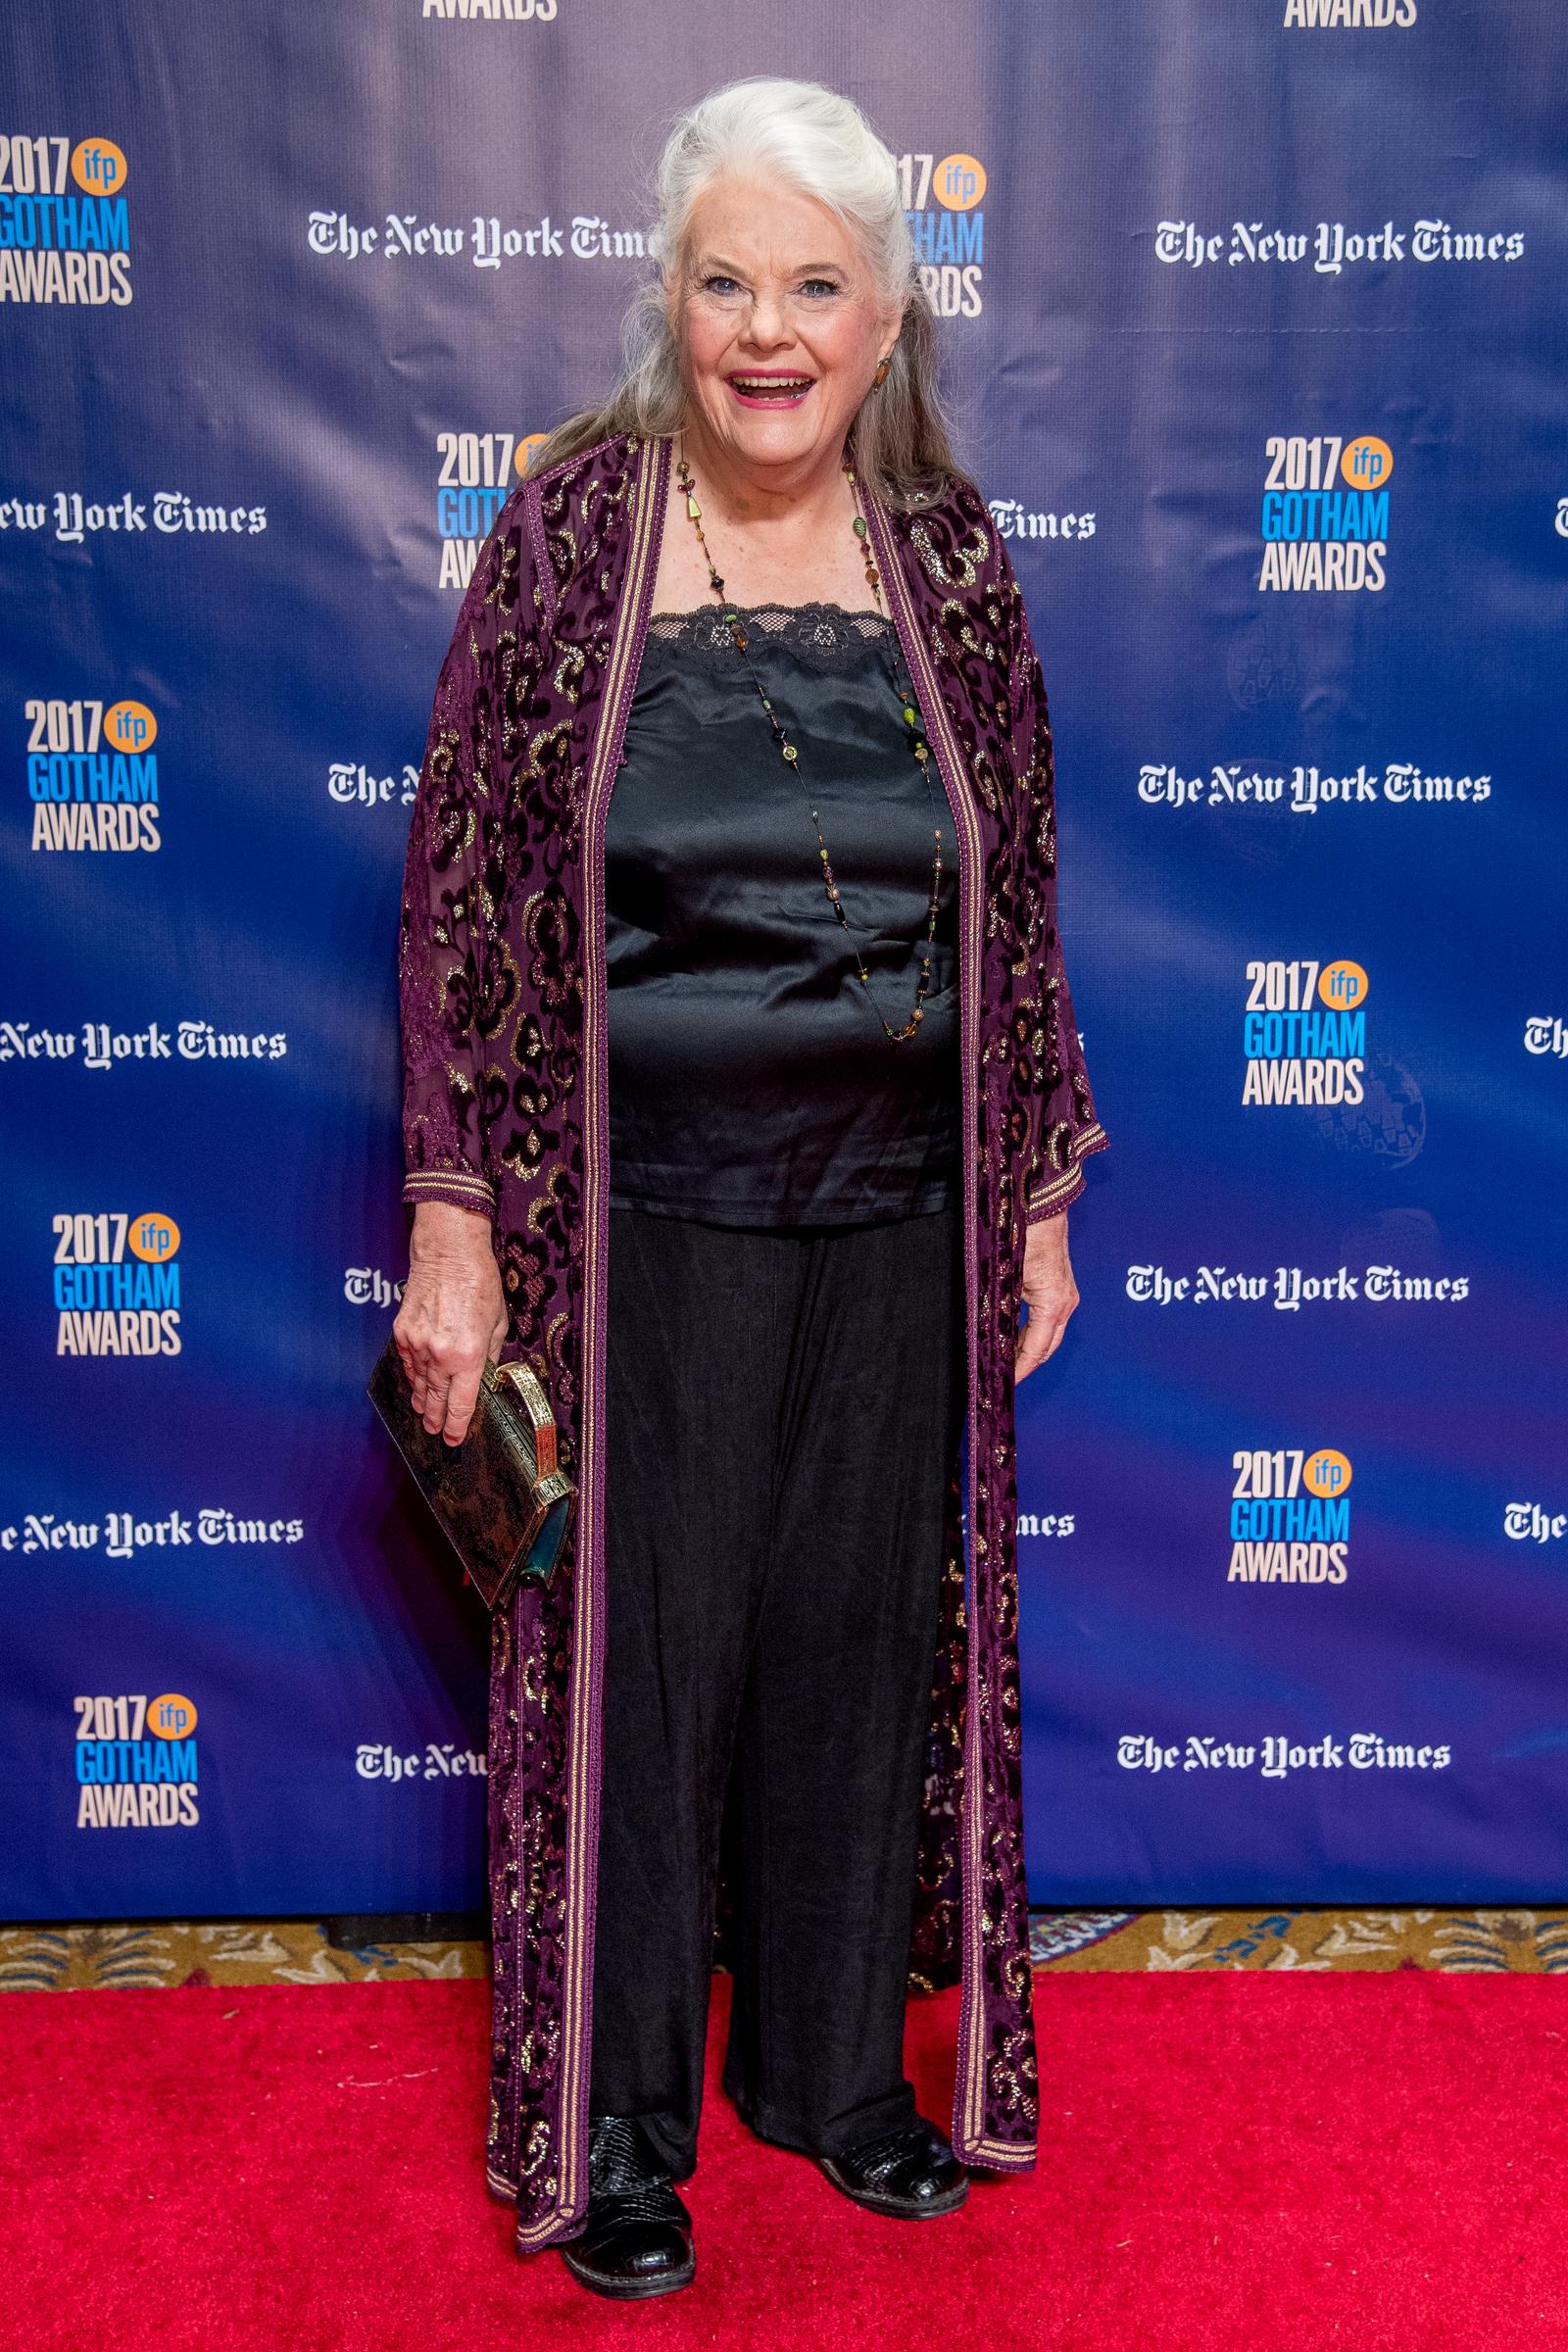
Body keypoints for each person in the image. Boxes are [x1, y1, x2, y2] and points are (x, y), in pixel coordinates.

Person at [391, 74, 1108, 2301]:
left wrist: (1033, 1199)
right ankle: (620, 2124)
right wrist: (454, 1218)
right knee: (641, 1669)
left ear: (888, 320)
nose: (768, 333)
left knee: (854, 1643)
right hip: (636, 1227)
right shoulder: (571, 536)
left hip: (897, 1211)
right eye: (726, 285)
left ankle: (830, 2073)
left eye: (815, 287)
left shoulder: (950, 561)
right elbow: (464, 892)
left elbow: (1018, 901)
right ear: (669, 303)